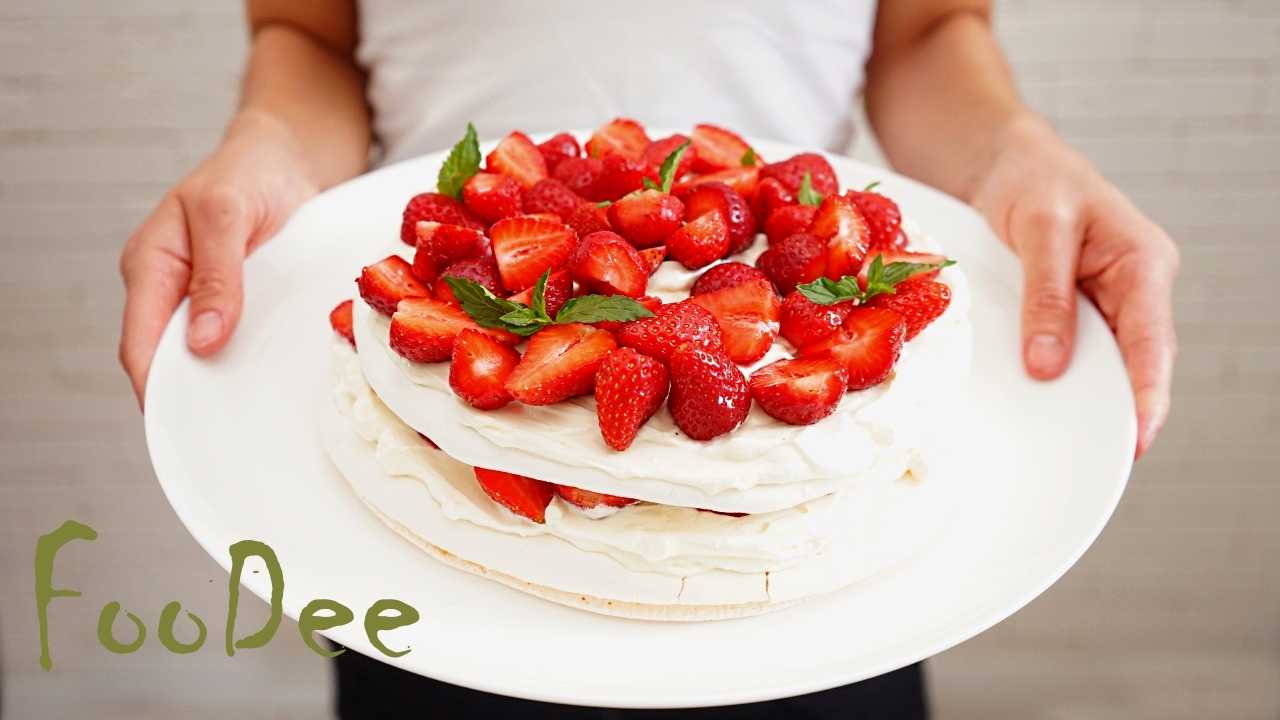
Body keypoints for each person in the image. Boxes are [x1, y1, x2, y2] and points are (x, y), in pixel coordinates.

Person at [118, 1, 1179, 717]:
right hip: (432, 550)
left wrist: (1012, 150)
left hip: (812, 572)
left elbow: (929, 27)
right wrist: (269, 138)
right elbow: (306, 31)